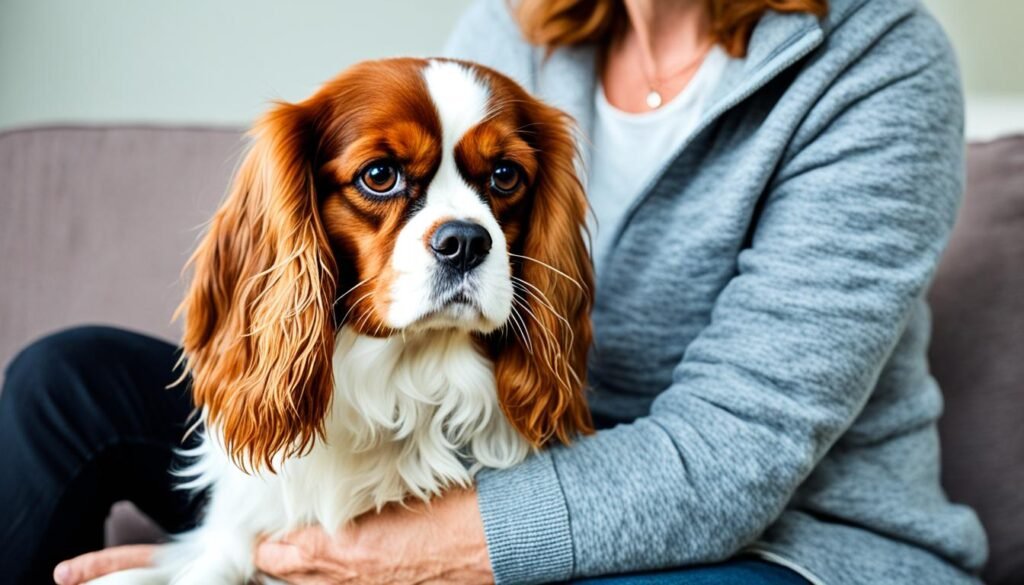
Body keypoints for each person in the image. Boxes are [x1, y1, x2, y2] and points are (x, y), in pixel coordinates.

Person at [0, 0, 989, 583]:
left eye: (498, 181)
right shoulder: (521, 26)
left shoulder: (877, 63)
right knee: (65, 385)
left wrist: (295, 559)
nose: (459, 217)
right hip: (492, 444)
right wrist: (239, 537)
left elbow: (735, 456)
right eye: (384, 183)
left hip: (779, 542)